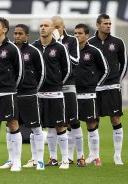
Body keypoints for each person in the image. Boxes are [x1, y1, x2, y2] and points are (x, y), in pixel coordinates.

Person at [88, 14, 127, 165]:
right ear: (98, 25)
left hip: (112, 87)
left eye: (110, 23)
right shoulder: (90, 43)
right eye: (105, 23)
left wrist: (117, 81)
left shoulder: (118, 42)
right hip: (94, 88)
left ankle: (117, 156)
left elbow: (124, 64)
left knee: (115, 119)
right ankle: (94, 155)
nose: (108, 26)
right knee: (92, 120)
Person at [33, 19, 71, 169]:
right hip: (38, 93)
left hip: (55, 93)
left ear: (52, 29)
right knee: (42, 127)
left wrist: (57, 83)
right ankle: (51, 158)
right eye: (41, 25)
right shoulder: (34, 47)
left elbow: (67, 69)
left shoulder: (59, 47)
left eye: (46, 25)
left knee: (60, 125)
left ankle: (65, 160)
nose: (42, 28)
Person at [43, 15, 81, 166]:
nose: (56, 29)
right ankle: (53, 157)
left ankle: (74, 157)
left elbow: (75, 62)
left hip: (67, 86)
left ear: (63, 27)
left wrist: (59, 43)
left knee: (71, 121)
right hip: (51, 88)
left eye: (58, 27)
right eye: (55, 27)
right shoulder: (46, 43)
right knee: (52, 123)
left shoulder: (71, 41)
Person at [0, 17, 23, 172]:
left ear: (4, 30)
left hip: (7, 91)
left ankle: (16, 162)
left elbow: (19, 72)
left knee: (12, 123)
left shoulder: (11, 48)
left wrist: (10, 87)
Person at [74, 23, 109, 166]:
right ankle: (75, 157)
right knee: (72, 125)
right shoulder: (69, 51)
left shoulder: (94, 51)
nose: (77, 36)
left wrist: (95, 85)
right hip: (72, 93)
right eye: (75, 33)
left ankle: (95, 156)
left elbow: (105, 70)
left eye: (80, 33)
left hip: (88, 94)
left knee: (91, 124)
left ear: (87, 36)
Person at [13, 24, 45, 170]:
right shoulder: (10, 50)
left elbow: (41, 73)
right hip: (13, 94)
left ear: (27, 36)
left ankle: (39, 161)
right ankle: (12, 160)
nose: (17, 36)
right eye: (15, 33)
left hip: (29, 94)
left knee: (36, 128)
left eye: (20, 34)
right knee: (11, 127)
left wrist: (32, 88)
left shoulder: (33, 51)